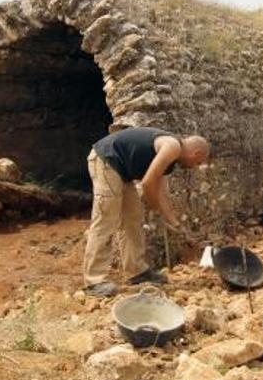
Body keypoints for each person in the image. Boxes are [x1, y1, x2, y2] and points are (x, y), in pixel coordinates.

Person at [83, 127, 210, 297]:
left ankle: (136, 271)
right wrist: (156, 209)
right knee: (106, 219)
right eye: (198, 163)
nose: (195, 167)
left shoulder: (171, 158)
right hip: (106, 160)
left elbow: (161, 193)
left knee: (132, 218)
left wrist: (175, 224)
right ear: (196, 153)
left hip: (121, 171)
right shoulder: (172, 147)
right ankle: (94, 281)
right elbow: (147, 183)